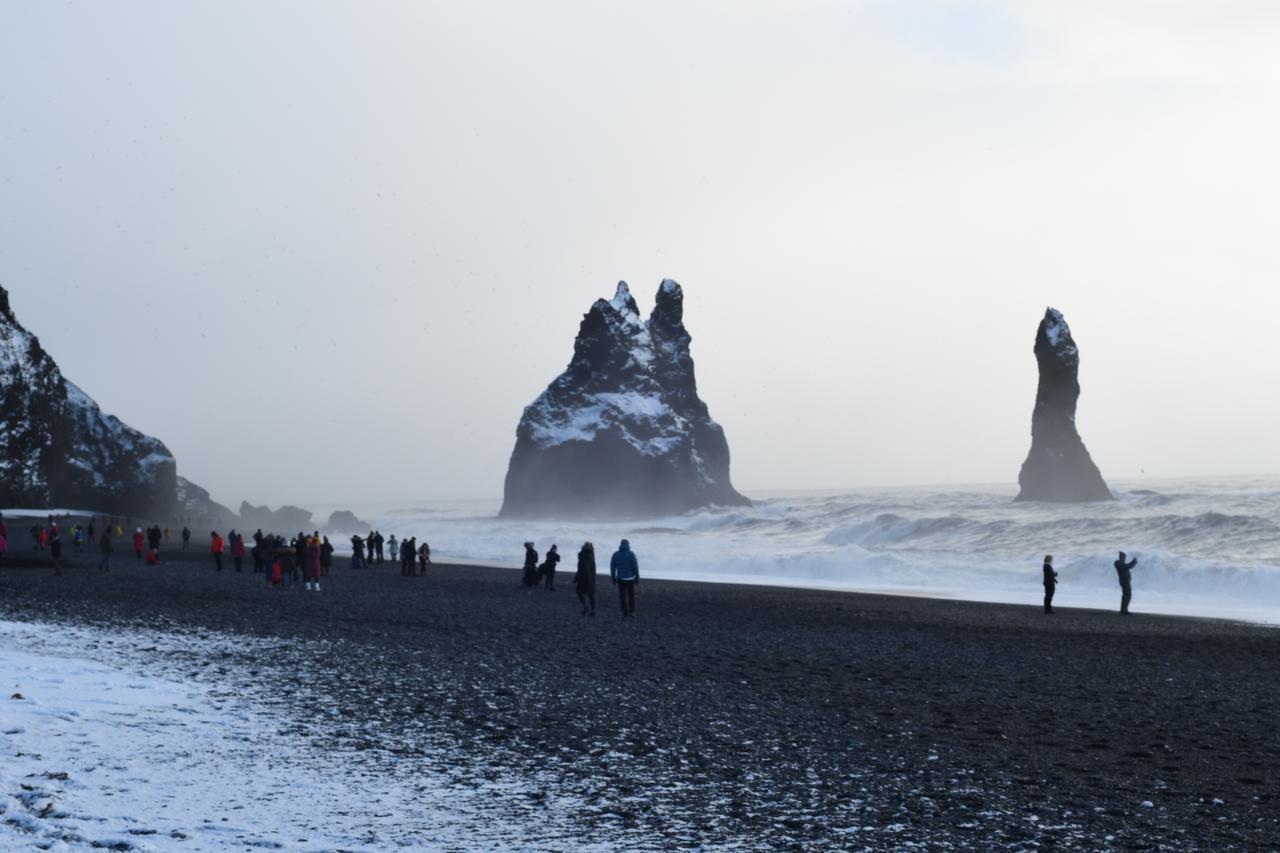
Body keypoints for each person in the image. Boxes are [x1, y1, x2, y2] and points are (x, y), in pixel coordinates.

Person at [610, 539, 639, 618]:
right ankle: (632, 612)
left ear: (621, 544)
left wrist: (613, 578)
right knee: (631, 596)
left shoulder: (616, 554)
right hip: (630, 578)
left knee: (622, 596)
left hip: (621, 579)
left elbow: (613, 567)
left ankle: (624, 612)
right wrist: (637, 577)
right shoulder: (631, 554)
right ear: (628, 544)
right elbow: (635, 567)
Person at [575, 542, 596, 616]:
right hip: (590, 577)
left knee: (579, 592)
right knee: (591, 594)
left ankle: (585, 606)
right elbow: (593, 568)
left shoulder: (582, 555)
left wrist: (576, 578)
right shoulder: (592, 555)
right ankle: (593, 609)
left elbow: (580, 568)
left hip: (583, 577)